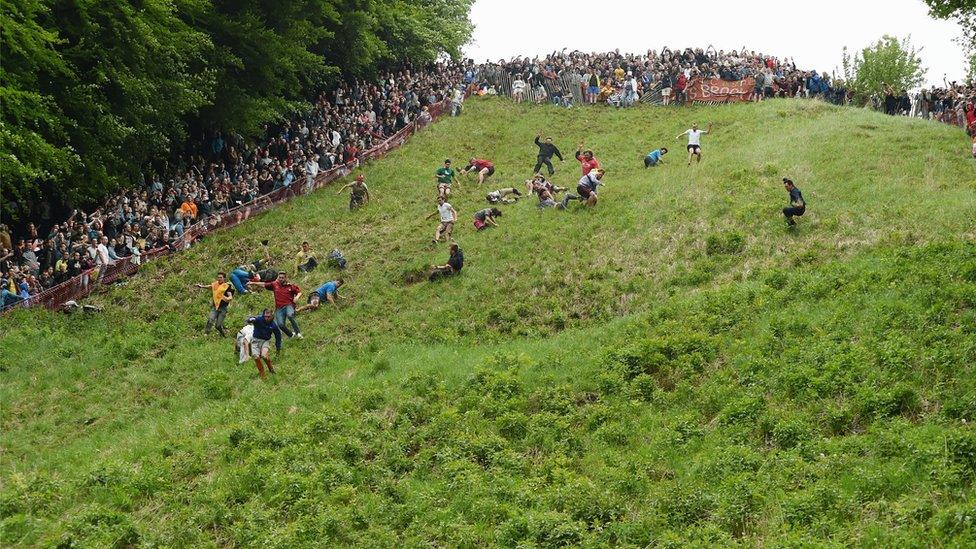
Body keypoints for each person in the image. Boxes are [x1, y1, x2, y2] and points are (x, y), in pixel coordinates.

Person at [251, 272, 302, 338]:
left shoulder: (291, 286)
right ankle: (291, 335)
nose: (281, 279)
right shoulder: (274, 284)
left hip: (289, 305)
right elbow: (264, 284)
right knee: (280, 325)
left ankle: (298, 333)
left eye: (282, 278)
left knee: (290, 315)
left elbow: (299, 292)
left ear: (286, 278)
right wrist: (253, 283)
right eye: (279, 277)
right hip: (279, 308)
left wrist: (297, 297)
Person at [246, 309, 282, 379]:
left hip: (265, 341)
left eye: (269, 317)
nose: (267, 318)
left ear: (272, 316)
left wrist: (278, 348)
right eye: (265, 316)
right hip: (255, 341)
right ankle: (262, 373)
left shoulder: (274, 325)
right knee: (256, 357)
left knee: (264, 355)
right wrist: (250, 319)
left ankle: (270, 368)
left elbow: (278, 337)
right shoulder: (259, 319)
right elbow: (252, 319)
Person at [195, 271, 233, 337]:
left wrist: (226, 298)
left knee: (217, 325)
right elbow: (210, 287)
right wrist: (201, 286)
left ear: (224, 278)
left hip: (223, 309)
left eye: (221, 277)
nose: (219, 279)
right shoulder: (215, 284)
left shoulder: (226, 286)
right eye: (218, 277)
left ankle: (223, 334)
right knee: (210, 319)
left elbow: (230, 297)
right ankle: (206, 333)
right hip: (215, 307)